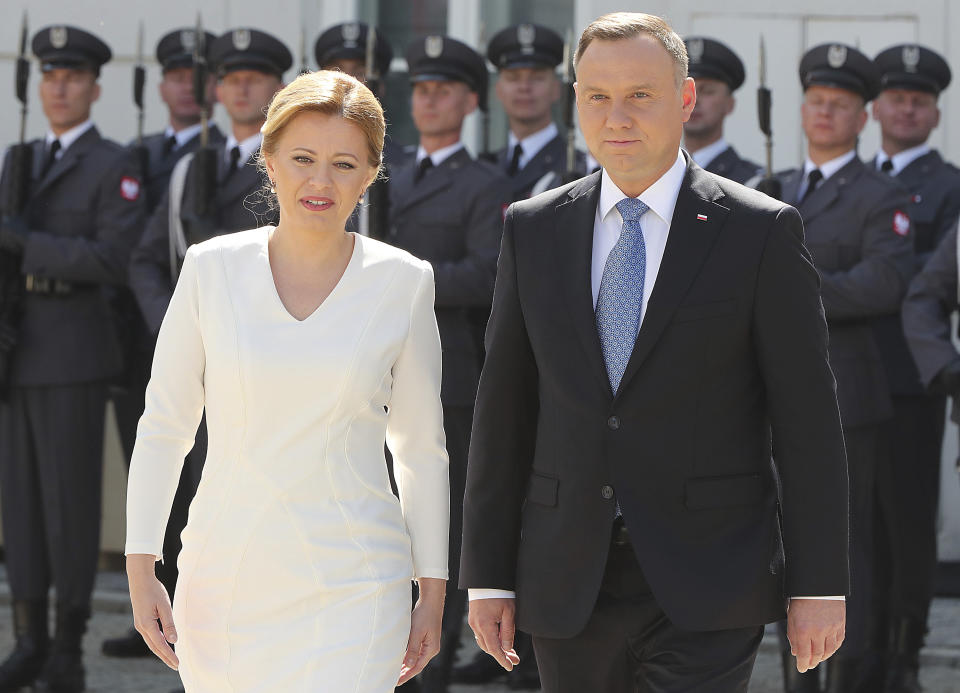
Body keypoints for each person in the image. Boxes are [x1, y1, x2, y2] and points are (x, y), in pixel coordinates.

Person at [461, 13, 849, 693]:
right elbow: (505, 415)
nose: (617, 116)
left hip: (709, 574)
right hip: (566, 574)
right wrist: (488, 573)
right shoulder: (533, 229)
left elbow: (807, 423)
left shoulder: (759, 232)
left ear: (686, 99)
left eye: (640, 93)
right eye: (597, 95)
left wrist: (819, 585)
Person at [124, 69, 449, 693]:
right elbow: (165, 426)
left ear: (371, 173)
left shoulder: (404, 281)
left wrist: (431, 591)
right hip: (226, 577)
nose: (320, 181)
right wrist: (142, 566)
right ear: (268, 160)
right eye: (302, 158)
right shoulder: (209, 268)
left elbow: (420, 452)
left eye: (344, 163)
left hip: (359, 582)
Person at [0, 25, 146, 693]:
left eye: (71, 75)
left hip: (74, 348)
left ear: (94, 86)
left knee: (70, 506)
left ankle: (66, 646)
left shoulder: (114, 163)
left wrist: (27, 245)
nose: (57, 86)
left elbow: (111, 259)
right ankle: (27, 639)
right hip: (18, 348)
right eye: (48, 75)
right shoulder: (18, 159)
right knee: (22, 507)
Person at [769, 43, 915, 693]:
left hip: (846, 395)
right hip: (773, 395)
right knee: (783, 540)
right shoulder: (773, 192)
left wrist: (791, 287)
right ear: (802, 110)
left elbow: (882, 283)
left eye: (841, 105)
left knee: (846, 541)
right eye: (817, 102)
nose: (825, 113)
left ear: (865, 117)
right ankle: (798, 672)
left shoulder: (882, 195)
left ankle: (849, 675)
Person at [387, 34, 509, 693]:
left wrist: (402, 277)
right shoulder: (384, 172)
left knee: (439, 514)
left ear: (468, 101)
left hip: (446, 372)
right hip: (376, 371)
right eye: (420, 89)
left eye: (442, 90)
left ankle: (438, 649)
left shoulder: (486, 183)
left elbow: (487, 274)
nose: (428, 99)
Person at [102, 26, 221, 661]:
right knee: (161, 486)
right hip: (150, 346)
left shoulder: (261, 160)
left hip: (236, 360)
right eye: (177, 75)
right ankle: (157, 611)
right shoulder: (151, 159)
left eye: (199, 76)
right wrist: (172, 326)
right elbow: (140, 255)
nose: (189, 88)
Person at [868, 44, 960, 693]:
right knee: (854, 521)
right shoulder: (849, 181)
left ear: (934, 114)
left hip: (911, 383)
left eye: (919, 100)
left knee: (906, 522)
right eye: (896, 97)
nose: (906, 107)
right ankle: (861, 646)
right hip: (843, 377)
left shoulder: (952, 187)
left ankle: (904, 648)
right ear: (875, 108)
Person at [486, 23, 586, 202]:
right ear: (498, 90)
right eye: (513, 78)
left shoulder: (578, 167)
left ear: (557, 89)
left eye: (537, 78)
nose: (524, 87)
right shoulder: (486, 166)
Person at [314, 21, 406, 166]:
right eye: (337, 70)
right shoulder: (297, 151)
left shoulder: (400, 164)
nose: (347, 80)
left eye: (359, 73)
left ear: (379, 86)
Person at [682, 36, 761, 184]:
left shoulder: (753, 182)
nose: (695, 101)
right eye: (686, 92)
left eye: (708, 91)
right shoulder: (656, 174)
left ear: (730, 104)